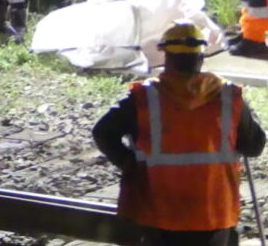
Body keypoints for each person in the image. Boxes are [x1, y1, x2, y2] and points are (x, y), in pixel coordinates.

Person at [93, 22, 265, 246]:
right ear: (201, 57)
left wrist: (128, 163)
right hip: (213, 209)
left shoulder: (143, 98)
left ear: (167, 57)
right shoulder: (228, 96)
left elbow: (103, 132)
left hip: (158, 207)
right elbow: (255, 146)